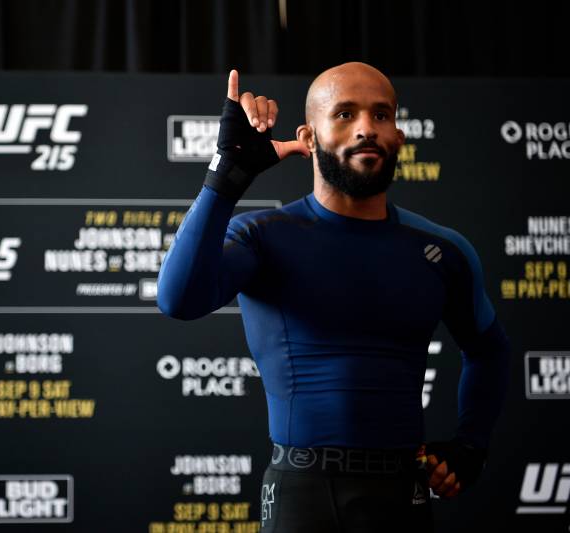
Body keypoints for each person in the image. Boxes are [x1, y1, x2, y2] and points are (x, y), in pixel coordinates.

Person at [156, 63, 510, 532]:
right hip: (301, 494)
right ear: (308, 137)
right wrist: (226, 178)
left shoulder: (443, 249)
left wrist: (471, 447)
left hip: (404, 492)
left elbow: (489, 351)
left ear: (399, 136)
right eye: (344, 114)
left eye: (381, 115)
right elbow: (179, 300)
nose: (367, 127)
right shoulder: (262, 236)